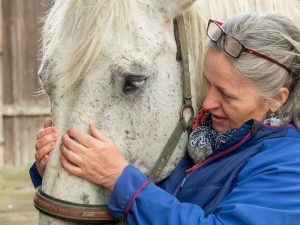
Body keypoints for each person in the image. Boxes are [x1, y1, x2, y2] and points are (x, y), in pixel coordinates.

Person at [30, 13, 300, 224]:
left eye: (226, 96)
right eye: (208, 83)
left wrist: (121, 179)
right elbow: (139, 210)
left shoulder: (289, 168)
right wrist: (65, 171)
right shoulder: (206, 139)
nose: (207, 103)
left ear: (277, 98)